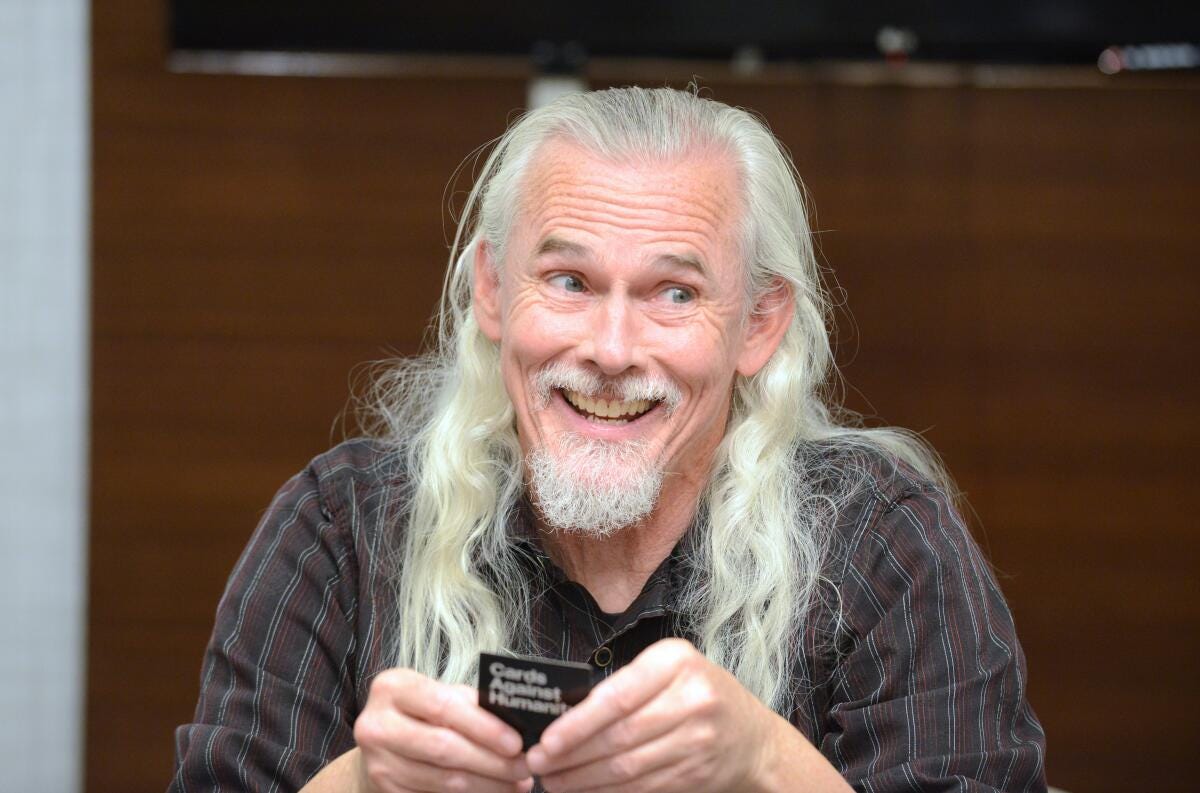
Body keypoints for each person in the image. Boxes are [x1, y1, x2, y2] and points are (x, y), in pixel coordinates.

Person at [170, 87, 1046, 793]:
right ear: (491, 291)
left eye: (673, 293)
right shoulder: (341, 529)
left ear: (758, 322)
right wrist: (364, 782)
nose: (613, 351)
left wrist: (764, 764)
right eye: (569, 280)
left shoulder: (886, 543)